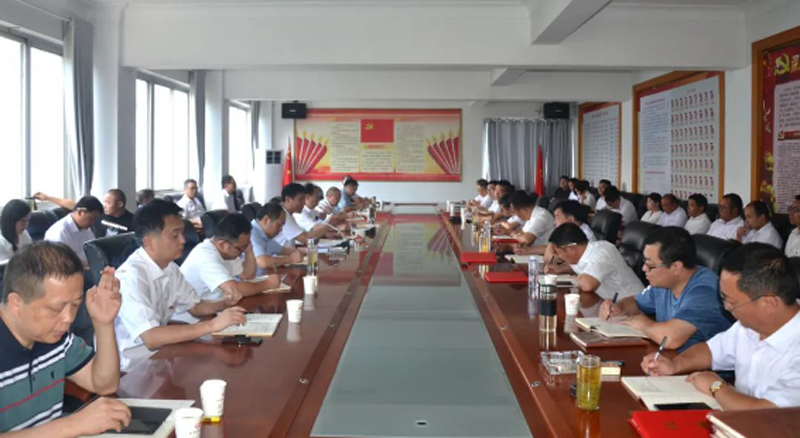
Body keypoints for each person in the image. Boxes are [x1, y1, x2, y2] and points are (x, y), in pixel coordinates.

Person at [641, 244, 800, 410]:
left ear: (769, 303)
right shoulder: (748, 327)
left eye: (732, 302)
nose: (726, 307)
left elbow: (766, 413)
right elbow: (710, 351)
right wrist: (675, 364)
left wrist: (716, 387)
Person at [0, 242, 131, 434]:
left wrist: (103, 323)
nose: (68, 318)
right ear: (16, 303)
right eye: (56, 309)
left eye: (75, 305)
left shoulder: (55, 337)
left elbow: (104, 384)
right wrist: (74, 424)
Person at [114, 200, 246, 370]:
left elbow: (195, 306)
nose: (183, 240)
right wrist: (212, 325)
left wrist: (224, 303)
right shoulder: (131, 277)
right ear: (149, 242)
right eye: (175, 235)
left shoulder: (170, 267)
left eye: (182, 233)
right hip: (136, 364)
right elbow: (151, 337)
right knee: (213, 359)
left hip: (161, 352)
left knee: (219, 356)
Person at [599, 227, 732, 351]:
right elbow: (636, 302)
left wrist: (642, 323)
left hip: (701, 367)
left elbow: (671, 339)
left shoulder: (705, 292)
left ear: (676, 267)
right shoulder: (663, 283)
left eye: (650, 265)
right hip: (669, 358)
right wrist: (619, 307)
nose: (644, 268)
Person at [177, 214, 279, 322]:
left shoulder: (227, 251)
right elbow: (235, 288)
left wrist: (248, 250)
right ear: (222, 245)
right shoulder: (205, 256)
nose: (242, 252)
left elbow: (247, 275)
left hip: (216, 310)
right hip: (192, 320)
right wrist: (268, 284)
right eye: (241, 248)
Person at [545, 223, 643, 300]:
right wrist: (560, 269)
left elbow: (587, 285)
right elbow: (582, 267)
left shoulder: (602, 252)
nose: (558, 257)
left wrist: (575, 279)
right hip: (611, 304)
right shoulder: (583, 254)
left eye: (558, 252)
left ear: (571, 249)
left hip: (635, 306)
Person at [43, 196, 103, 267]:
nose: (92, 223)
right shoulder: (59, 232)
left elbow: (93, 249)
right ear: (80, 212)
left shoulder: (86, 228)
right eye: (91, 219)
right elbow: (60, 262)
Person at [251, 202, 303, 273]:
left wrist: (306, 251)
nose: (281, 230)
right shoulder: (251, 232)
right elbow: (263, 262)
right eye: (279, 225)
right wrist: (291, 259)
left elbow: (284, 250)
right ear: (266, 220)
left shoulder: (266, 236)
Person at [276, 183, 330, 248]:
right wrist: (330, 223)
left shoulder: (288, 214)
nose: (304, 203)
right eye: (300, 199)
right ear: (288, 200)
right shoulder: (284, 216)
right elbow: (308, 239)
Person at [543, 200, 595, 267]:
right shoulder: (569, 232)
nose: (554, 223)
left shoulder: (585, 235)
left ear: (570, 219)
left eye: (557, 217)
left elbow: (549, 258)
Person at [0, 200, 32, 265]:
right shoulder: (1, 242)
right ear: (11, 220)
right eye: (23, 220)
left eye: (28, 220)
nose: (26, 225)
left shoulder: (24, 234)